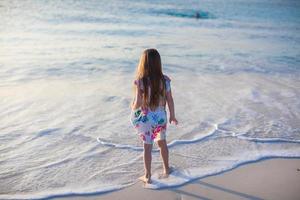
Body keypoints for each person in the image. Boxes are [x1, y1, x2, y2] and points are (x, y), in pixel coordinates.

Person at [130, 48, 178, 184]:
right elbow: (170, 100)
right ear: (158, 63)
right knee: (162, 143)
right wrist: (172, 115)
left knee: (147, 146)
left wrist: (133, 104)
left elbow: (138, 104)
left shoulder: (141, 82)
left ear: (143, 64)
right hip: (161, 118)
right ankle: (166, 168)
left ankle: (147, 175)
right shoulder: (165, 81)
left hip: (146, 119)